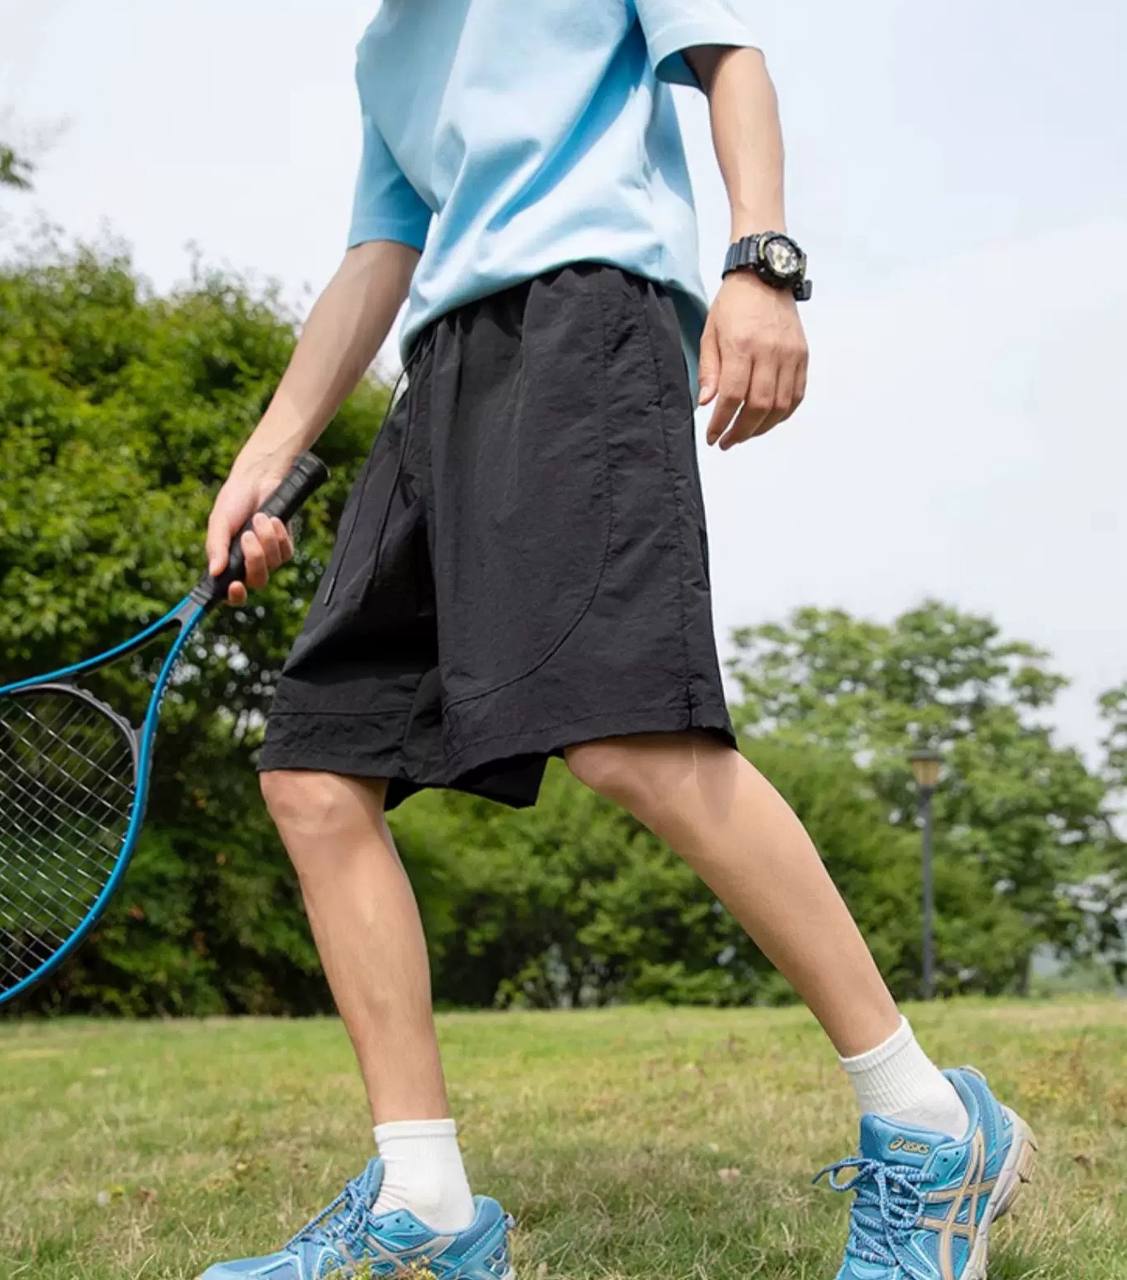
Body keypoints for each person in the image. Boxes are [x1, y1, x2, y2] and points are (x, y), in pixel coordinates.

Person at [198, 4, 1036, 1278]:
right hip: (443, 368)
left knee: (628, 734)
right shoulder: (385, 47)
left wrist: (759, 261)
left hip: (583, 316)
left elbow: (729, 60)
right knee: (317, 766)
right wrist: (264, 459)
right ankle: (426, 1206)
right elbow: (381, 247)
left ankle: (927, 1122)